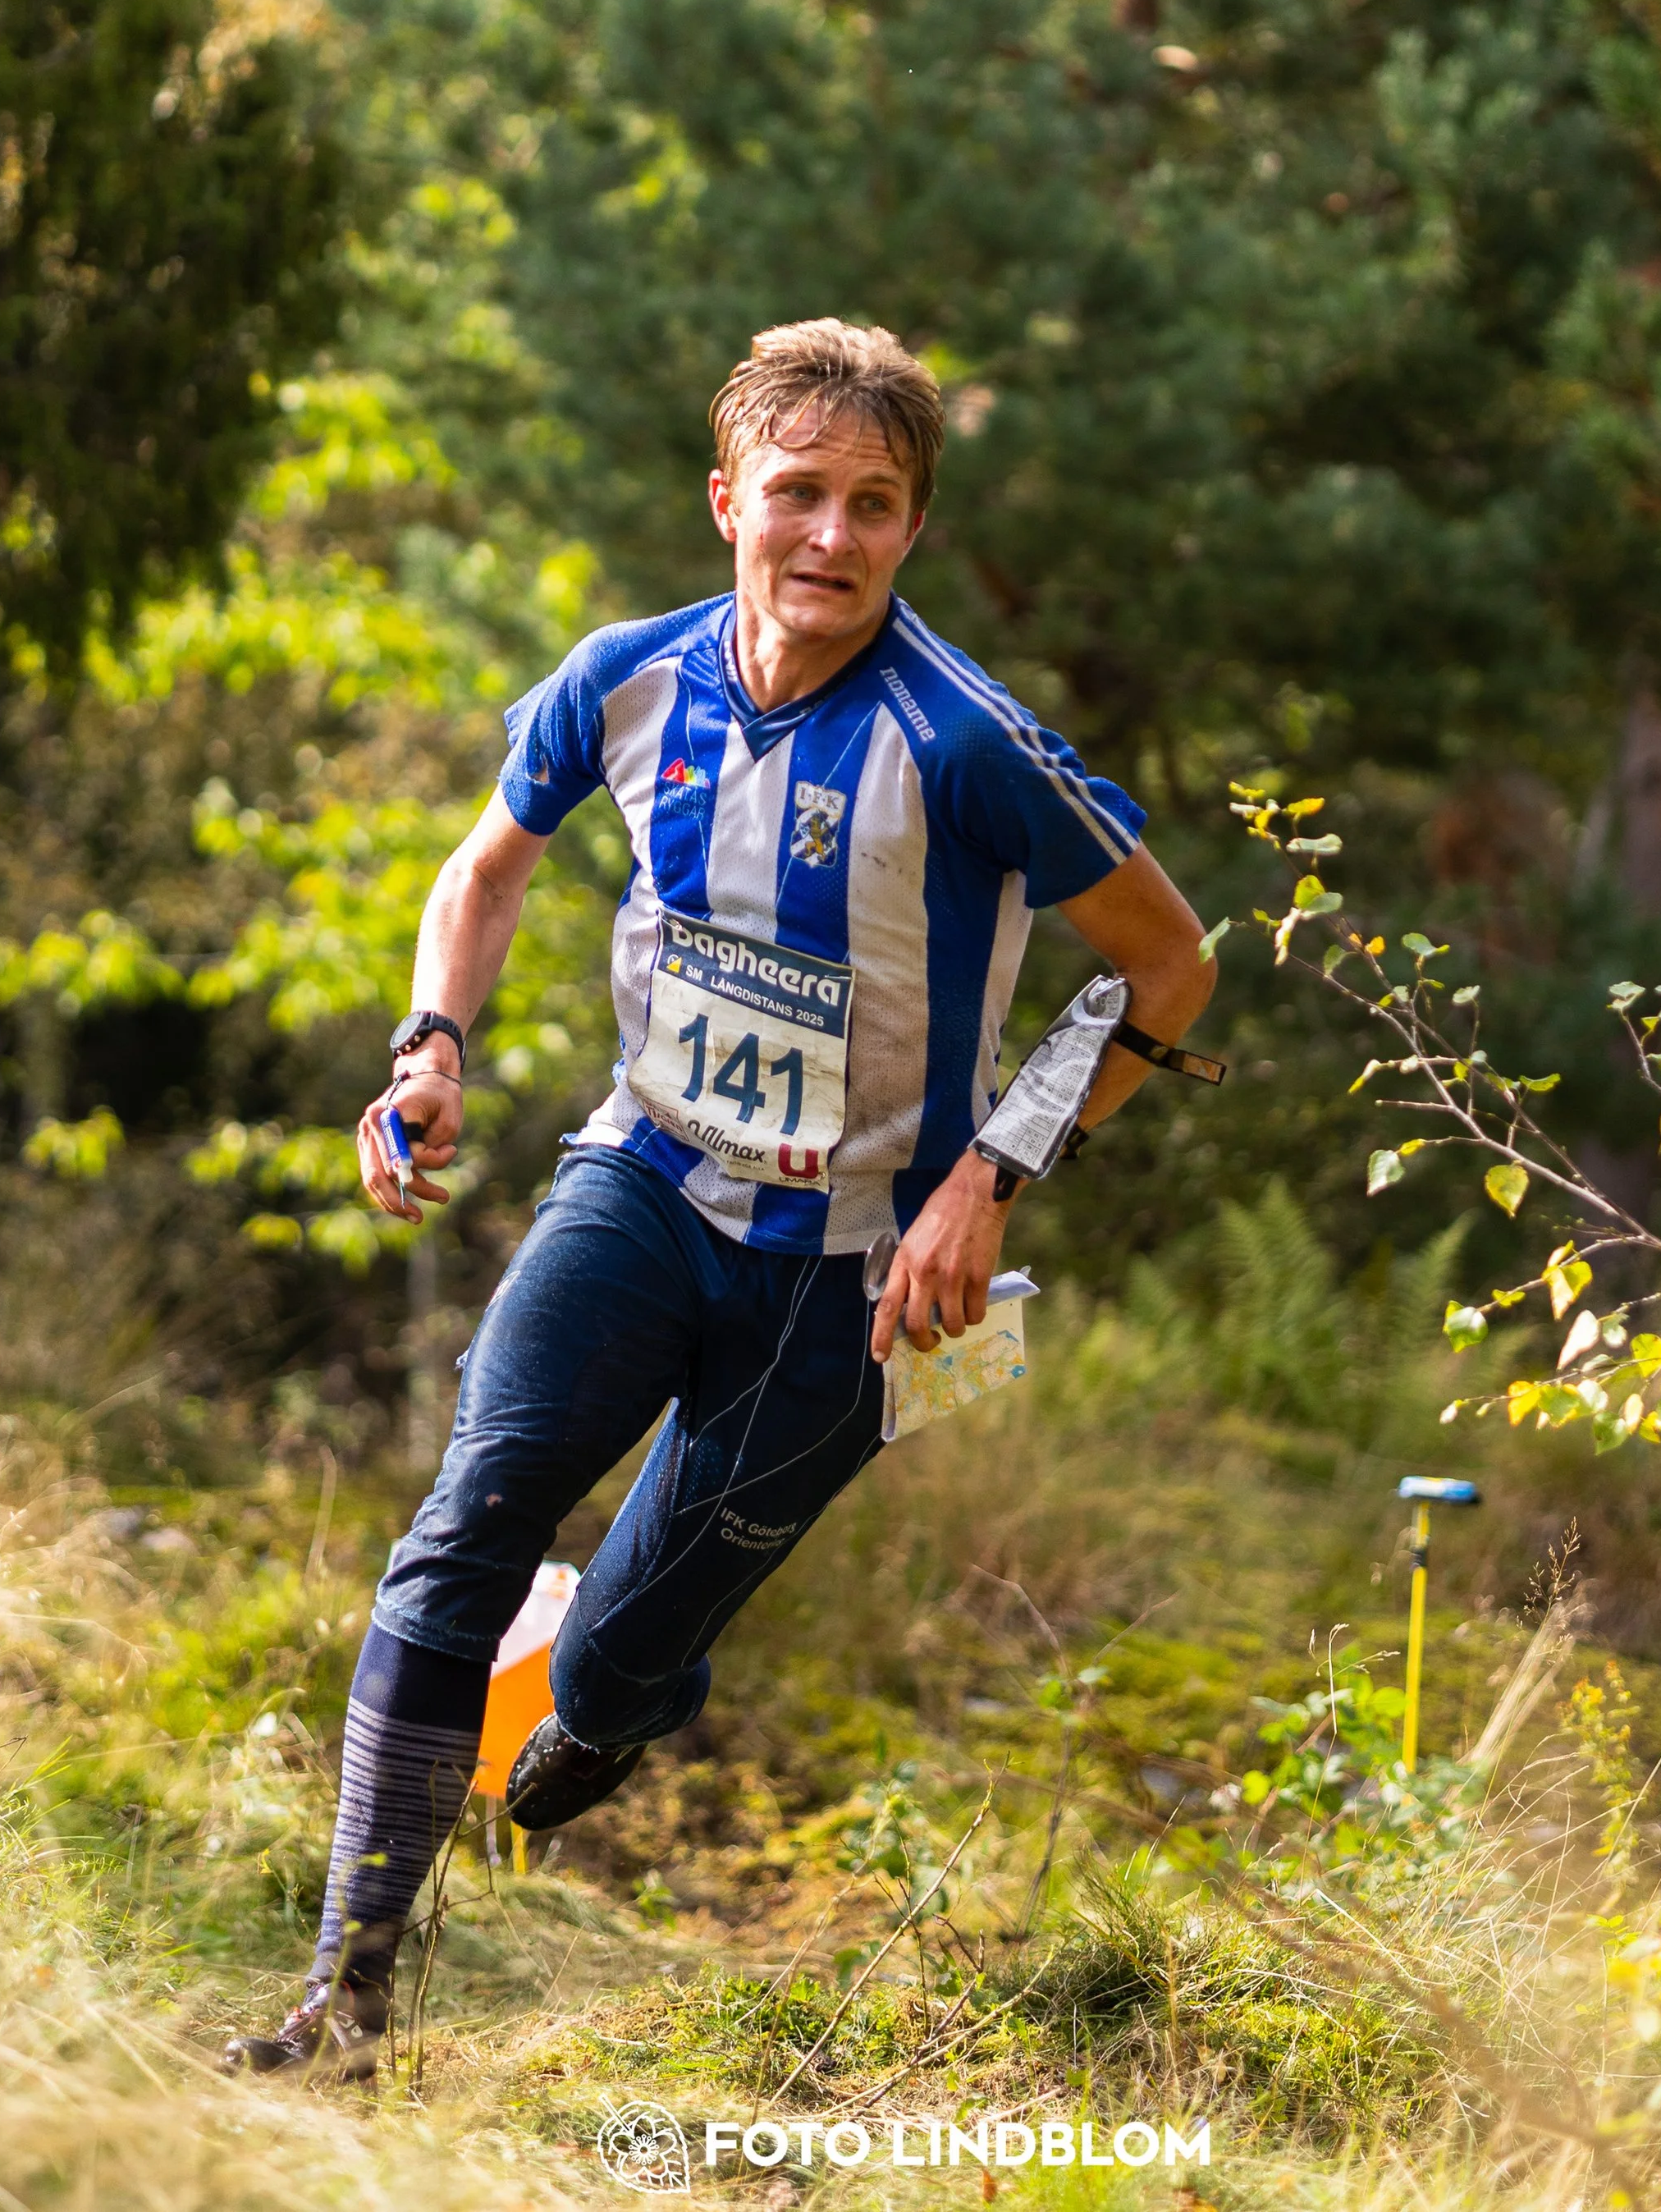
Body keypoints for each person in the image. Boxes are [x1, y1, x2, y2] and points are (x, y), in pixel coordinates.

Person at [222, 318, 1218, 2078]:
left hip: (856, 1282)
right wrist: (432, 1043)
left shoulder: (965, 738)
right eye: (796, 493)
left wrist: (989, 1174)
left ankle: (602, 1705)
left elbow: (1167, 967)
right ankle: (345, 2000)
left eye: (872, 503)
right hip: (643, 1184)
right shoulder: (624, 679)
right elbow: (482, 864)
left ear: (910, 526)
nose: (828, 536)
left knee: (616, 1659)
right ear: (725, 500)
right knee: (459, 1532)